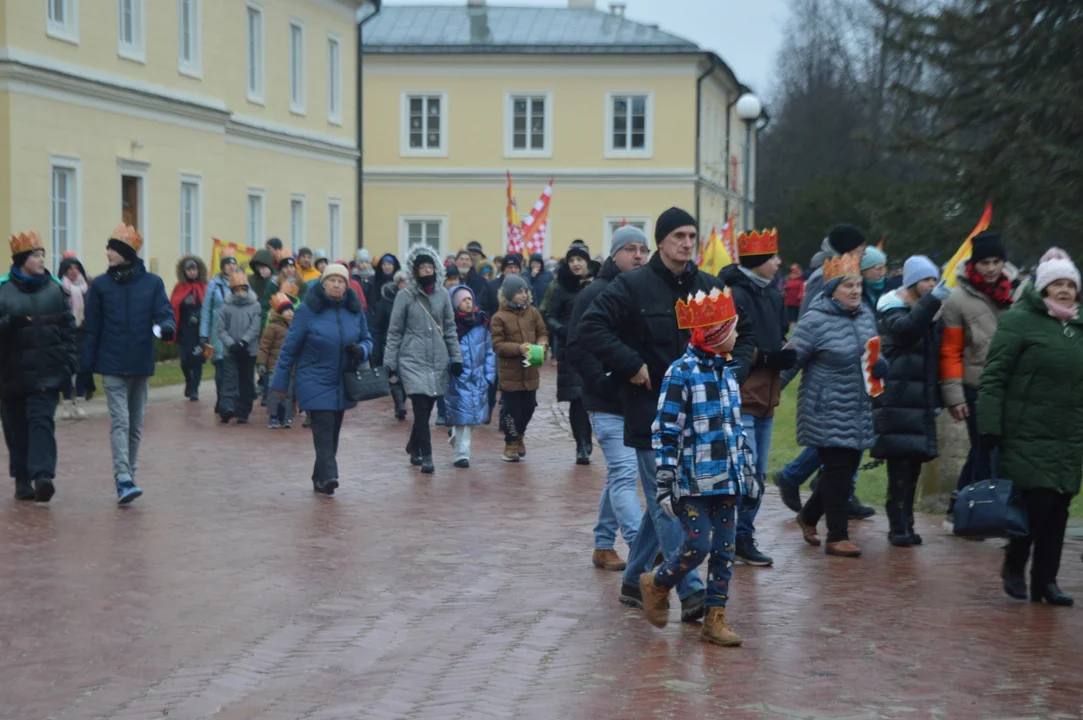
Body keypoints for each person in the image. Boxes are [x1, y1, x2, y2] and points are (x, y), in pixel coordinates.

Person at [579, 206, 755, 620]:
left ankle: (634, 579)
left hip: (702, 421)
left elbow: (744, 336)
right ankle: (691, 591)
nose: (687, 243)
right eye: (678, 236)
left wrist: (732, 372)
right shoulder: (632, 285)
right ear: (661, 241)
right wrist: (629, 363)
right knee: (670, 500)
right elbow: (590, 327)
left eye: (692, 236)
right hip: (650, 413)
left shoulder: (710, 288)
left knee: (665, 506)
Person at [638, 287, 756, 645]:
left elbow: (737, 428)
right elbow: (666, 427)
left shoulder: (728, 372)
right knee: (698, 545)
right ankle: (657, 583)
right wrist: (666, 476)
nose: (738, 334)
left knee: (724, 548)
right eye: (733, 328)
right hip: (693, 482)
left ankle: (715, 617)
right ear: (718, 333)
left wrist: (748, 473)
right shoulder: (681, 373)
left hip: (728, 480)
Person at [979, 249, 1083, 606]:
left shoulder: (1079, 326)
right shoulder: (1019, 320)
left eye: (1071, 284)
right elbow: (994, 377)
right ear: (1043, 288)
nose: (1065, 290)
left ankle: (1046, 581)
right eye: (1058, 283)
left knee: (1059, 508)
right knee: (1033, 505)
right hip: (1026, 430)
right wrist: (989, 427)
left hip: (1068, 434)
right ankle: (1015, 565)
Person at [781, 253, 881, 557]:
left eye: (858, 285)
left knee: (845, 468)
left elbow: (873, 350)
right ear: (832, 289)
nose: (854, 291)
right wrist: (770, 392)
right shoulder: (815, 319)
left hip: (859, 405)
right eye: (847, 285)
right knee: (838, 469)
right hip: (825, 407)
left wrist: (881, 365)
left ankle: (809, 517)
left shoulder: (865, 314)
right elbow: (791, 358)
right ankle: (837, 536)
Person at [566, 225, 651, 571]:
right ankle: (641, 546)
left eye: (643, 249)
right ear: (614, 254)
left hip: (638, 400)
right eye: (630, 249)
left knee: (619, 474)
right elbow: (576, 345)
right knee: (625, 472)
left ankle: (603, 544)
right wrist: (601, 383)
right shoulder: (595, 293)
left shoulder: (645, 292)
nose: (638, 256)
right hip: (606, 401)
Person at [82, 224, 175, 505]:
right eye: (108, 248)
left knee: (135, 424)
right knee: (120, 421)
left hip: (140, 362)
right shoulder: (99, 286)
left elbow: (164, 313)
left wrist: (167, 326)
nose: (108, 253)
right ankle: (123, 478)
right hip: (111, 365)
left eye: (114, 249)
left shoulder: (153, 283)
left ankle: (129, 476)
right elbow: (92, 330)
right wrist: (86, 370)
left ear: (126, 253)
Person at [720, 229, 794, 567]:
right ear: (757, 261)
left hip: (767, 396)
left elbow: (778, 336)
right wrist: (764, 359)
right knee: (743, 469)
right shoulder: (734, 293)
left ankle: (743, 535)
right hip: (742, 393)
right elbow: (728, 344)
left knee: (759, 471)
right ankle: (728, 535)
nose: (779, 263)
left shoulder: (775, 297)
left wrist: (781, 353)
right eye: (772, 257)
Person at [872, 256, 951, 546]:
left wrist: (938, 397)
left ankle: (908, 522)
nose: (931, 285)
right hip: (898, 400)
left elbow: (933, 360)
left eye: (934, 279)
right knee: (900, 469)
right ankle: (896, 526)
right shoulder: (893, 309)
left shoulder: (931, 312)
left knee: (914, 466)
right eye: (926, 280)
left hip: (920, 402)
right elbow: (905, 332)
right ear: (911, 282)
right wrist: (933, 304)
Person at [271, 264, 371, 495]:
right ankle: (329, 476)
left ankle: (319, 476)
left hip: (343, 381)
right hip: (313, 378)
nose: (336, 284)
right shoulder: (307, 310)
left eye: (341, 281)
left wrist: (362, 351)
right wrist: (279, 384)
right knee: (324, 428)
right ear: (323, 283)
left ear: (346, 286)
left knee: (333, 431)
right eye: (332, 280)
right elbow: (289, 349)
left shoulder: (354, 311)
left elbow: (368, 339)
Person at [0, 230, 77, 502]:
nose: (42, 258)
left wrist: (69, 361)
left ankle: (43, 476)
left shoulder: (54, 289)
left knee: (42, 422)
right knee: (17, 429)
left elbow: (69, 328)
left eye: (43, 253)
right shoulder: (3, 292)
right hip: (12, 375)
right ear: (22, 260)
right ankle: (22, 479)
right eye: (35, 254)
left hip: (48, 372)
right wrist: (9, 324)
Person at [940, 231, 1015, 507]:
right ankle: (974, 508)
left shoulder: (1016, 292)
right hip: (976, 386)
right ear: (974, 263)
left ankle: (962, 502)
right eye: (985, 262)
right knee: (984, 445)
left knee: (993, 448)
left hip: (1010, 385)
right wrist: (954, 395)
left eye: (997, 261)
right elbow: (950, 350)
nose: (992, 268)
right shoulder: (957, 299)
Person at [384, 245, 463, 474]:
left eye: (430, 266)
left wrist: (456, 358)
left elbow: (449, 328)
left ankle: (413, 445)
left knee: (427, 408)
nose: (427, 271)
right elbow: (395, 331)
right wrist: (390, 363)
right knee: (419, 407)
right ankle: (427, 456)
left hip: (437, 358)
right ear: (414, 270)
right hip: (412, 359)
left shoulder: (443, 295)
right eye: (422, 267)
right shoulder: (405, 296)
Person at [544, 240, 598, 465]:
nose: (576, 264)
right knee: (577, 398)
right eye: (572, 260)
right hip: (572, 348)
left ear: (587, 261)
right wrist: (561, 330)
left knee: (595, 397)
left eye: (580, 259)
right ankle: (581, 444)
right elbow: (549, 315)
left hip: (596, 347)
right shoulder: (561, 287)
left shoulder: (599, 283)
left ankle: (591, 438)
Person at [491, 273, 549, 462]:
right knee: (511, 411)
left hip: (530, 369)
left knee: (529, 407)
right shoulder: (499, 317)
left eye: (525, 291)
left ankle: (520, 435)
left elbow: (543, 332)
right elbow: (498, 345)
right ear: (508, 295)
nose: (523, 295)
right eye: (518, 292)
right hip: (510, 372)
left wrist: (542, 343)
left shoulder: (533, 312)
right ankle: (511, 443)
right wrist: (518, 348)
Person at [444, 286, 496, 468]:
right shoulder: (450, 325)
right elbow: (445, 350)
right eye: (463, 300)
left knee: (473, 418)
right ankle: (462, 454)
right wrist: (452, 366)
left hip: (479, 378)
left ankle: (455, 438)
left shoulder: (481, 323)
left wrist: (489, 375)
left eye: (470, 299)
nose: (468, 303)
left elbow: (490, 350)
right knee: (463, 418)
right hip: (459, 378)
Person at [215, 271, 262, 425]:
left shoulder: (255, 306)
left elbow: (255, 327)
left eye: (243, 289)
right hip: (231, 351)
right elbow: (221, 329)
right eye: (237, 289)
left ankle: (243, 411)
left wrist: (243, 342)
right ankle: (226, 408)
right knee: (229, 379)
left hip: (248, 351)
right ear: (232, 290)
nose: (240, 292)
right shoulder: (226, 307)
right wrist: (231, 344)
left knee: (246, 381)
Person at [58, 251, 95, 419]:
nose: (73, 271)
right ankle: (66, 403)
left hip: (82, 333)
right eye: (69, 268)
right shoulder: (60, 289)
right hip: (65, 334)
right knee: (67, 369)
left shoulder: (86, 289)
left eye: (76, 268)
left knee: (81, 369)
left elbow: (92, 309)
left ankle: (79, 402)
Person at [200, 249, 237, 413]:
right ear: (222, 266)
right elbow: (206, 311)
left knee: (233, 367)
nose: (231, 266)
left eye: (233, 263)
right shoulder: (213, 285)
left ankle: (230, 400)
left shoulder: (241, 282)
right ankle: (222, 399)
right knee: (221, 366)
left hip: (236, 331)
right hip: (217, 332)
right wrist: (203, 334)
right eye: (228, 263)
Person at [371, 269, 409, 421]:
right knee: (394, 374)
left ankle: (402, 400)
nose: (406, 285)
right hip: (391, 341)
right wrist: (377, 346)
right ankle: (399, 404)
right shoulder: (387, 299)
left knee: (406, 376)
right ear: (398, 283)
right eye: (403, 282)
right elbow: (378, 325)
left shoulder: (415, 299)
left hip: (410, 343)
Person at [170, 255, 207, 402]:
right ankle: (188, 380)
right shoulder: (179, 288)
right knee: (185, 360)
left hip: (200, 330)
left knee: (198, 360)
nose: (192, 272)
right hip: (184, 329)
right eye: (189, 269)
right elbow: (173, 305)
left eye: (194, 269)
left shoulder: (205, 287)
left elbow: (208, 306)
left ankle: (194, 388)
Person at [258, 293, 295, 429]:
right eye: (286, 310)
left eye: (291, 309)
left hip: (291, 367)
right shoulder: (272, 328)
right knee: (275, 393)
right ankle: (273, 417)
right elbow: (264, 347)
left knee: (288, 394)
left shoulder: (295, 328)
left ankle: (286, 417)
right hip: (275, 366)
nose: (290, 312)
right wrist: (262, 363)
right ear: (279, 312)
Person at [487, 252, 522, 316]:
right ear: (503, 270)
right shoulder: (491, 286)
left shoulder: (525, 286)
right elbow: (485, 308)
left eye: (516, 267)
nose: (513, 270)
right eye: (510, 267)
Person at [861, 246, 889, 310]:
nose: (883, 273)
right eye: (878, 268)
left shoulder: (894, 286)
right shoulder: (856, 292)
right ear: (863, 271)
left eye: (884, 267)